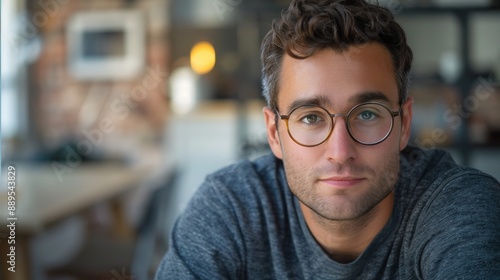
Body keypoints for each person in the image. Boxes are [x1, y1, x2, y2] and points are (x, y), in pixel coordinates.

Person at [155, 0, 500, 278]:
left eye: (366, 114)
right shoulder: (231, 208)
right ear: (274, 133)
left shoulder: (457, 207)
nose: (340, 152)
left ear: (404, 123)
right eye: (310, 118)